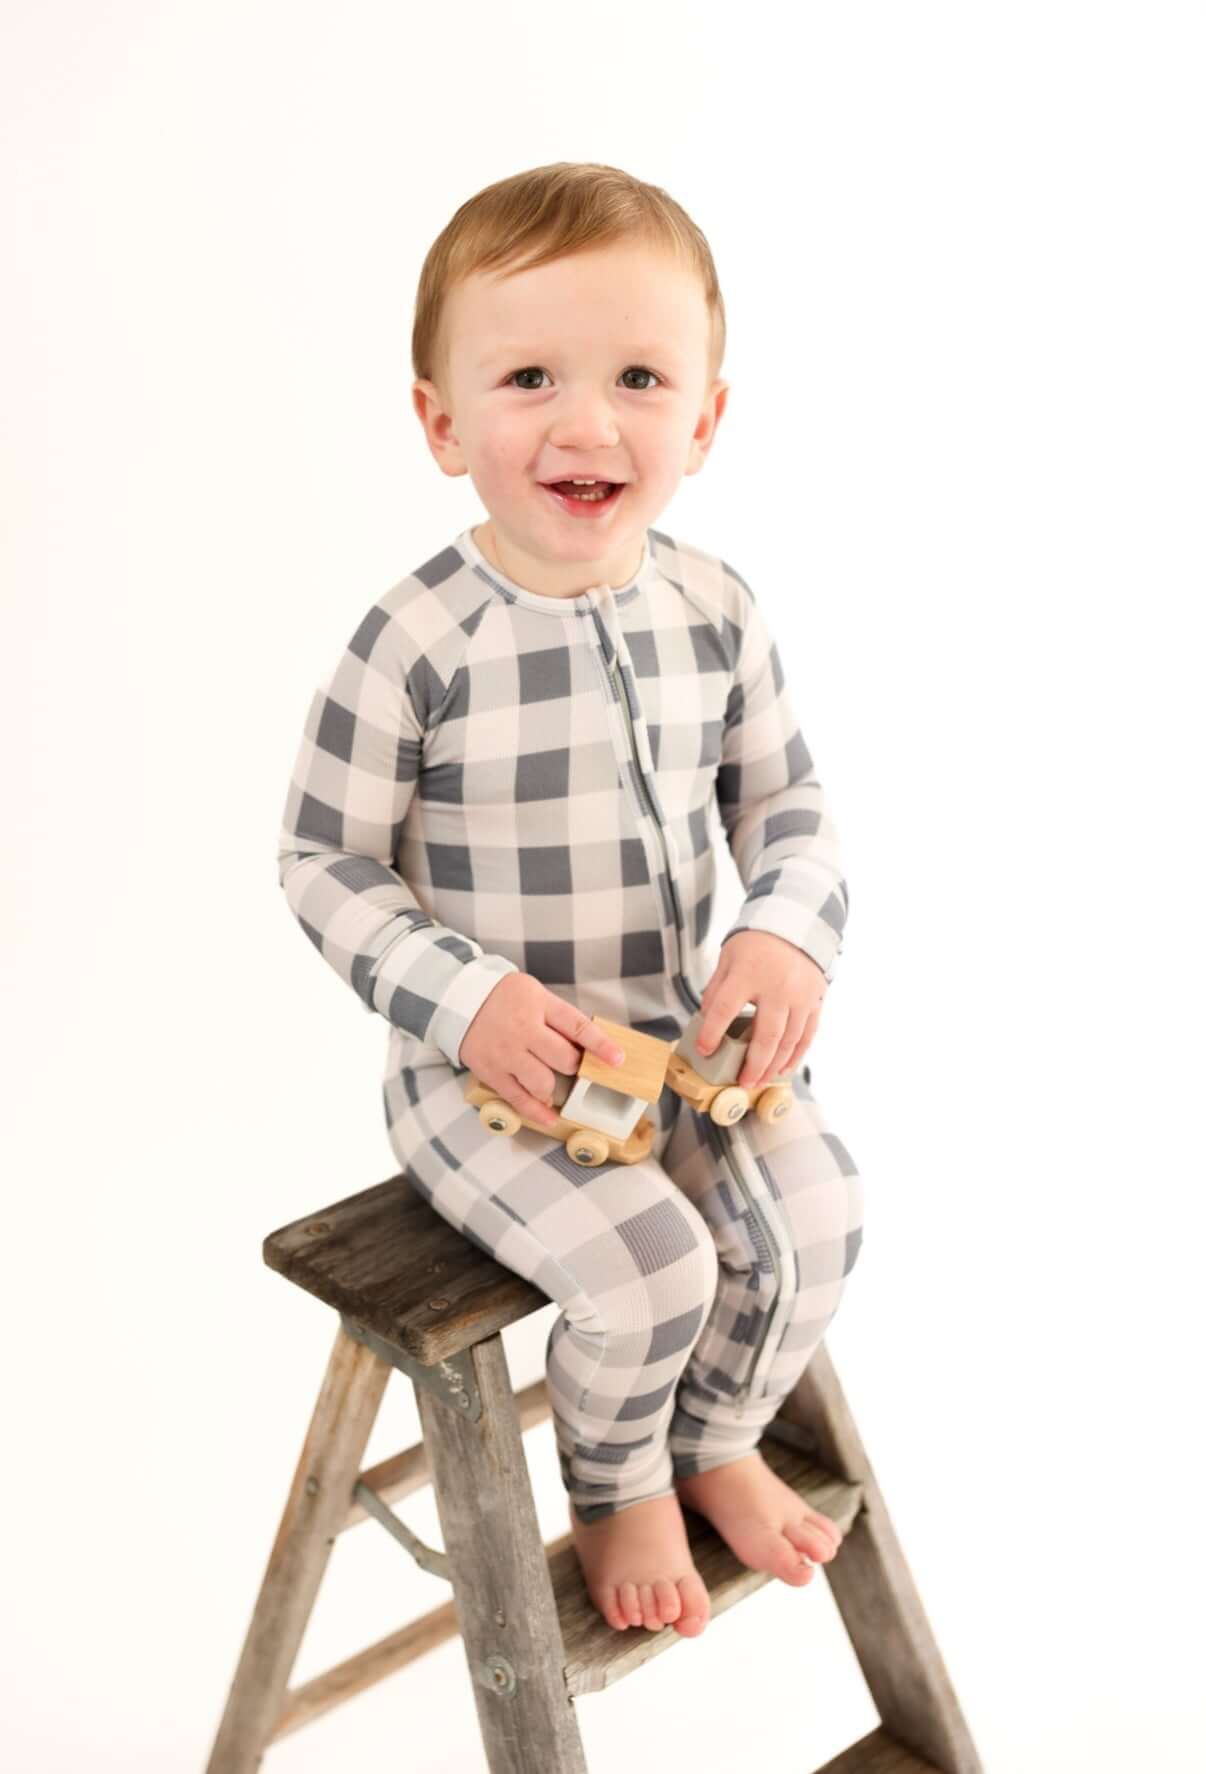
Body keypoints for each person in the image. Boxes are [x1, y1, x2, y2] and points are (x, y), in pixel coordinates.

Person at [276, 161, 865, 1641]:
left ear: (705, 417)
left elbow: (786, 805)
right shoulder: (416, 638)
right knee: (651, 1261)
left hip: (682, 1047)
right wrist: (462, 1002)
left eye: (639, 378)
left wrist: (783, 928)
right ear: (442, 420)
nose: (588, 423)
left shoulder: (714, 608)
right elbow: (319, 861)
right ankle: (614, 1481)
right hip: (492, 1079)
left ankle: (713, 1429)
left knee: (822, 1209)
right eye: (528, 375)